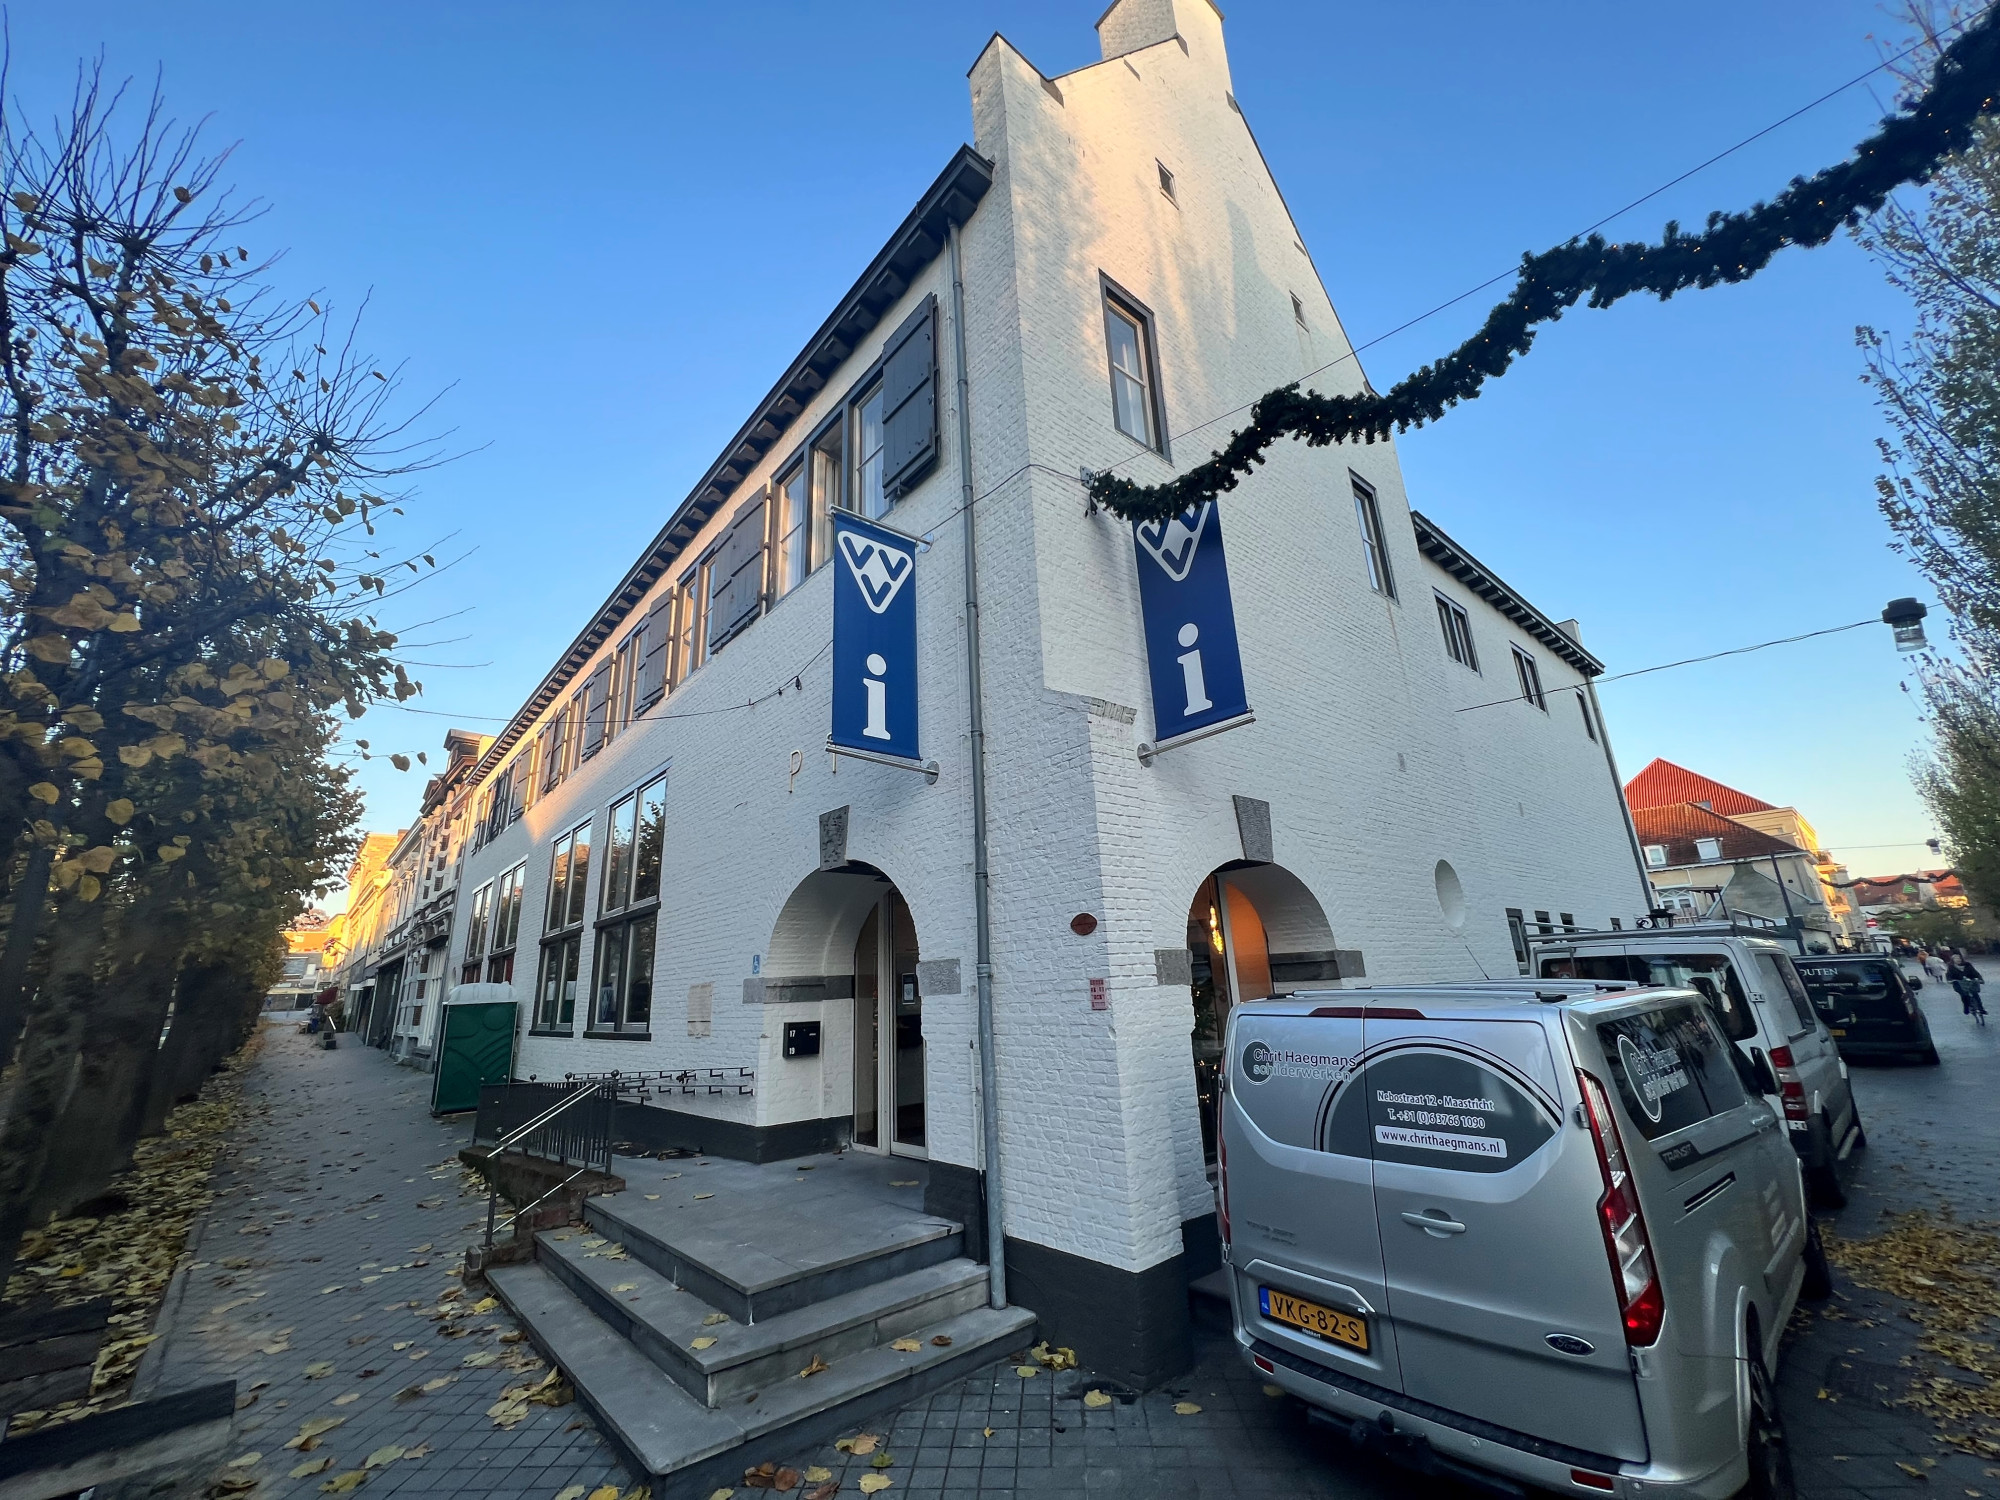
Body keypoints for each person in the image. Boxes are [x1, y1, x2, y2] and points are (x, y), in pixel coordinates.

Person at [1949, 954, 1987, 1024]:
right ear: (1953, 960)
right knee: (1964, 995)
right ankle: (1966, 1007)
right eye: (1956, 959)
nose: (1958, 960)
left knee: (1976, 995)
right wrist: (1951, 980)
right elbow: (1949, 976)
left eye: (1959, 958)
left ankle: (1981, 1009)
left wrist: (1980, 979)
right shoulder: (1951, 967)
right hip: (1959, 984)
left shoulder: (1968, 965)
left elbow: (1975, 973)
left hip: (1970, 982)